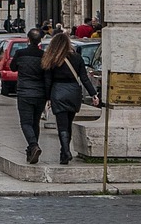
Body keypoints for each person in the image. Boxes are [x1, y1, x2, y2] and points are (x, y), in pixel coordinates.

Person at [42, 33, 100, 165]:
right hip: (73, 91)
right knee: (69, 123)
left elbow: (48, 80)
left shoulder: (51, 58)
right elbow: (84, 78)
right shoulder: (77, 58)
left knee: (61, 124)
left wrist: (48, 97)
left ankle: (66, 151)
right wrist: (93, 94)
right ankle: (64, 152)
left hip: (58, 91)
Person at [12, 28, 48, 163]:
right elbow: (47, 75)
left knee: (26, 122)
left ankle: (33, 146)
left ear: (28, 39)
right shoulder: (43, 55)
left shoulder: (20, 53)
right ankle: (32, 150)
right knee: (35, 122)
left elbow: (13, 67)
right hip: (40, 93)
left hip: (25, 92)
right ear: (40, 41)